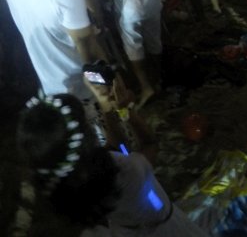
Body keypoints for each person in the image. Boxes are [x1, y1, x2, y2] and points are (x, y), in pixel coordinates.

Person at [18, 92, 208, 236]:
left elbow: (115, 148)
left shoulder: (58, 189)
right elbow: (147, 144)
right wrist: (128, 110)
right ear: (86, 136)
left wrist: (107, 111)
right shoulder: (127, 172)